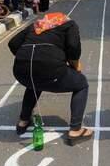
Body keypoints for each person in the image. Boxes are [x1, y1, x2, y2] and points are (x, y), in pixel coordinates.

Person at [8, 12, 92, 145]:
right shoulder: (69, 24)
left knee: (34, 81)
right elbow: (74, 47)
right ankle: (75, 129)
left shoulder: (36, 25)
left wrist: (26, 57)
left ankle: (23, 121)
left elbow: (13, 43)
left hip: (21, 71)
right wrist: (75, 66)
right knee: (81, 83)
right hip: (50, 70)